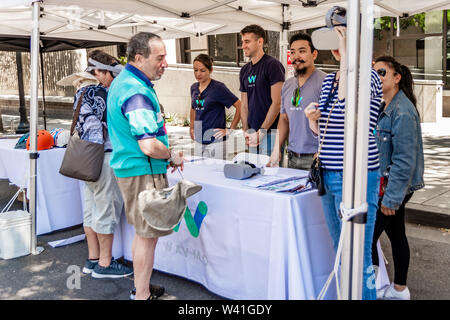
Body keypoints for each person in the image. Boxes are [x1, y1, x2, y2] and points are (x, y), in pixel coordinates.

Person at [304, 26, 383, 300]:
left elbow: (356, 115)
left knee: (359, 255)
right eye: (336, 42)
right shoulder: (329, 81)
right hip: (328, 173)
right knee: (339, 249)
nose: (338, 47)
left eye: (344, 41)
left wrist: (348, 50)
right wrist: (312, 121)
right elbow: (326, 132)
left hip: (358, 175)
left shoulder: (369, 78)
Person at [107, 32, 184, 300]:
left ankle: (141, 287)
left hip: (137, 169)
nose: (165, 63)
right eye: (160, 57)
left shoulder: (125, 82)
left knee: (145, 233)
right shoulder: (136, 90)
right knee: (147, 235)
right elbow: (149, 145)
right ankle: (142, 295)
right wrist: (171, 155)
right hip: (143, 170)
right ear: (139, 58)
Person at [68, 50, 132, 279]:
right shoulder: (101, 92)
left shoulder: (81, 91)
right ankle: (105, 264)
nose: (113, 80)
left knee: (91, 210)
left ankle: (92, 258)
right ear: (99, 72)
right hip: (104, 158)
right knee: (106, 210)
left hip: (85, 159)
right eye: (110, 74)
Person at [371, 56, 424, 300]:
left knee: (367, 238)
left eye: (381, 72)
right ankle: (399, 290)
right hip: (387, 183)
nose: (376, 77)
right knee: (396, 234)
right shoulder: (386, 105)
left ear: (397, 77)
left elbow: (404, 160)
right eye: (374, 73)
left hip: (393, 186)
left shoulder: (402, 111)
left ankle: (375, 289)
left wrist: (391, 198)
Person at [266, 33, 326, 169]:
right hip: (292, 157)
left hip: (317, 158)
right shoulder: (287, 85)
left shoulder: (326, 82)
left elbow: (335, 122)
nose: (296, 57)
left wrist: (324, 152)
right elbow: (284, 119)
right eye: (292, 52)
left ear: (314, 54)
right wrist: (277, 148)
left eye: (302, 51)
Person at [239, 24, 285, 156]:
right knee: (253, 174)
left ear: (260, 42)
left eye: (247, 41)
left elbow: (277, 102)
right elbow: (244, 104)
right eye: (242, 42)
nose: (243, 46)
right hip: (252, 134)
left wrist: (262, 131)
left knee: (270, 175)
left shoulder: (273, 65)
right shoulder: (244, 70)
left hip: (271, 134)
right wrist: (246, 131)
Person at [189, 54, 241, 160]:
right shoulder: (193, 87)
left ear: (210, 70)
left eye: (202, 70)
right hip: (199, 140)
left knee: (215, 173)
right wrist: (192, 128)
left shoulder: (219, 88)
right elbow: (193, 108)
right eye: (195, 70)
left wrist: (230, 130)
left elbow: (239, 105)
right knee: (199, 172)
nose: (198, 74)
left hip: (216, 142)